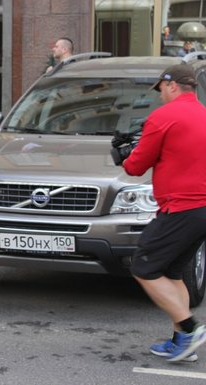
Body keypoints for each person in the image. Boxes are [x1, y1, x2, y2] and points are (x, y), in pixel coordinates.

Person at [118, 64, 206, 362]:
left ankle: (191, 328)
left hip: (181, 207)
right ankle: (183, 342)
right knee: (172, 272)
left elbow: (135, 166)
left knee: (143, 266)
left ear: (171, 86)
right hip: (201, 210)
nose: (160, 97)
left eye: (161, 90)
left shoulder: (163, 117)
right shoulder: (204, 114)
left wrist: (123, 156)